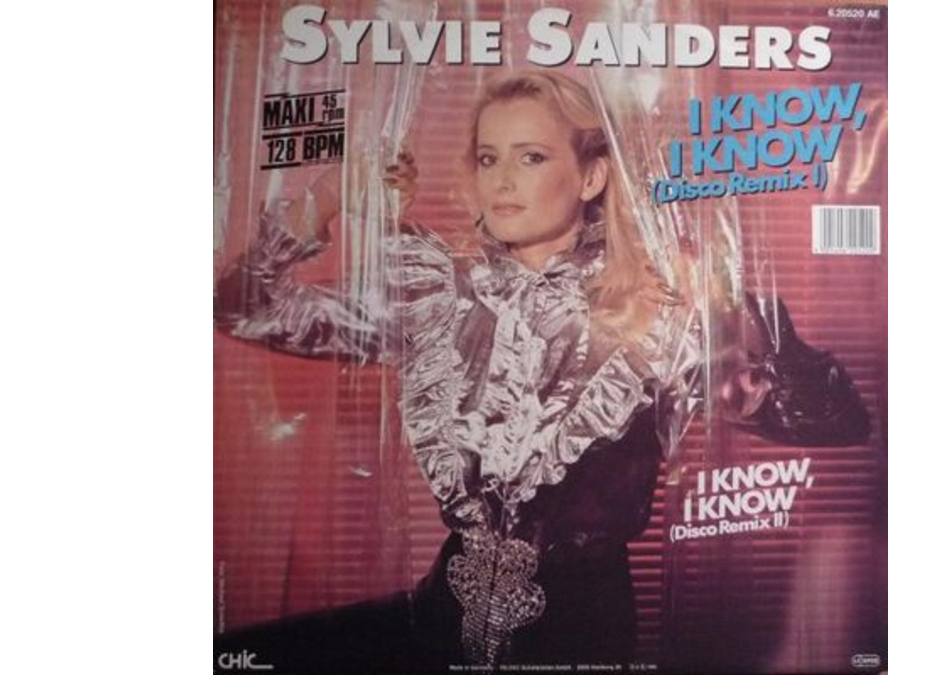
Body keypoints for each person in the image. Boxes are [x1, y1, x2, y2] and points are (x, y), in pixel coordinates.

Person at [214, 71, 868, 673]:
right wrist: (328, 197)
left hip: (581, 629)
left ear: (591, 177)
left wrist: (742, 313)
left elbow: (837, 422)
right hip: (442, 616)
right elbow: (242, 307)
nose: (502, 180)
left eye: (531, 157)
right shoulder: (437, 293)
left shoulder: (656, 306)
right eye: (488, 158)